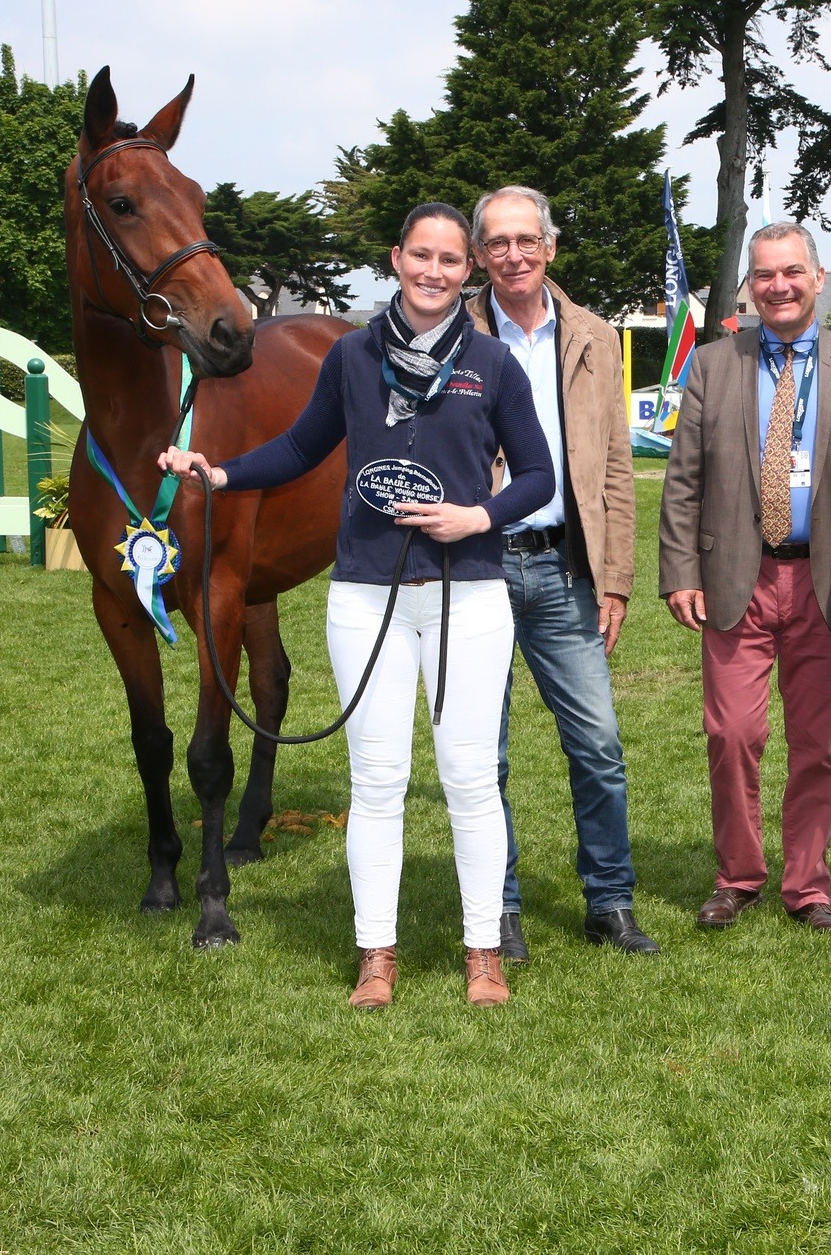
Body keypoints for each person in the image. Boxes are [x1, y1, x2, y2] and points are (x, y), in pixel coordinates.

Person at [161, 202, 554, 1011]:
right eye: (421, 255)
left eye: (450, 259)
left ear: (469, 269)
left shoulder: (491, 362)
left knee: (471, 780)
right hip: (367, 594)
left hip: (469, 591)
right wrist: (220, 473)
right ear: (396, 259)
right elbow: (302, 446)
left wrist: (477, 516)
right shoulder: (349, 357)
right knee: (377, 784)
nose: (435, 271)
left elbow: (540, 477)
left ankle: (484, 953)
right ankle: (376, 954)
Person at [659, 222, 831, 936]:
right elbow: (683, 479)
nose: (778, 285)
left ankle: (808, 885)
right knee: (732, 733)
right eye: (764, 274)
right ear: (749, 286)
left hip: (822, 582)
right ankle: (738, 876)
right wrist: (679, 570)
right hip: (735, 577)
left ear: (818, 278)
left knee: (819, 742)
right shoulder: (715, 364)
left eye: (791, 272)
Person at [465, 185, 657, 961]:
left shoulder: (592, 336)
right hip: (475, 568)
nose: (514, 253)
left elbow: (613, 463)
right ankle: (499, 907)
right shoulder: (449, 332)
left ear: (549, 247)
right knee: (487, 751)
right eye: (498, 242)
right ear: (479, 254)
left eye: (526, 239)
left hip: (562, 568)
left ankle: (608, 901)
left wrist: (615, 578)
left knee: (599, 744)